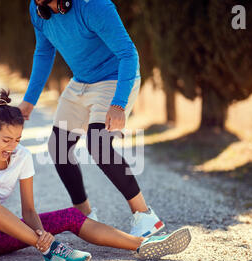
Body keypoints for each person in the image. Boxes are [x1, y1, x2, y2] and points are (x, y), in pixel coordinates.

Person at [0, 90, 191, 261]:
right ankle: (50, 250)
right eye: (6, 139)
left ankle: (142, 244)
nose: (13, 146)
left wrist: (40, 231)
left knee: (71, 215)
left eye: (18, 139)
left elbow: (29, 212)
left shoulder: (22, 157)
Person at [17, 0, 166, 237]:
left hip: (114, 78)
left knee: (99, 144)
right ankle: (84, 216)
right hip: (81, 81)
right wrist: (29, 100)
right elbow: (44, 51)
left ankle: (145, 216)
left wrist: (118, 104)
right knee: (58, 147)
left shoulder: (94, 5)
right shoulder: (37, 10)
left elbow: (128, 54)